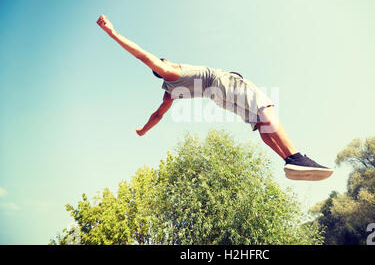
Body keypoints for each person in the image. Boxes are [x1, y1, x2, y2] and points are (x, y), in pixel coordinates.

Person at [96, 15, 333, 181]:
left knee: (261, 124)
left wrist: (144, 130)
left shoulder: (169, 92)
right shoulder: (170, 72)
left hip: (219, 100)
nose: (166, 61)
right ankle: (296, 156)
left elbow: (158, 114)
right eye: (163, 62)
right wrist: (112, 32)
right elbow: (144, 57)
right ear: (161, 67)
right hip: (223, 83)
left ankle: (288, 161)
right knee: (266, 108)